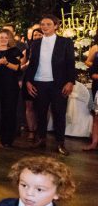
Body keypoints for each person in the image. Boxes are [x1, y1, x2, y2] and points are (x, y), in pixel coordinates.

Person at [24, 15, 76, 156]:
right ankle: (41, 139)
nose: (44, 26)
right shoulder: (35, 43)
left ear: (56, 26)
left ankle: (60, 143)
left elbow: (71, 64)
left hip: (58, 84)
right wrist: (28, 81)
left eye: (48, 24)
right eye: (42, 24)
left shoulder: (65, 42)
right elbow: (31, 64)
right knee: (40, 113)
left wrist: (71, 81)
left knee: (59, 113)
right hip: (39, 83)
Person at [0, 29, 23, 147]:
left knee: (9, 112)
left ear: (9, 39)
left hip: (10, 85)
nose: (3, 39)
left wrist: (6, 63)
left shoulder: (15, 51)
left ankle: (7, 140)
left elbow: (18, 68)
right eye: (1, 37)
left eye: (6, 37)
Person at [84, 33, 98, 152]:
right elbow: (88, 62)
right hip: (97, 82)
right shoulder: (96, 47)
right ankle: (94, 143)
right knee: (96, 116)